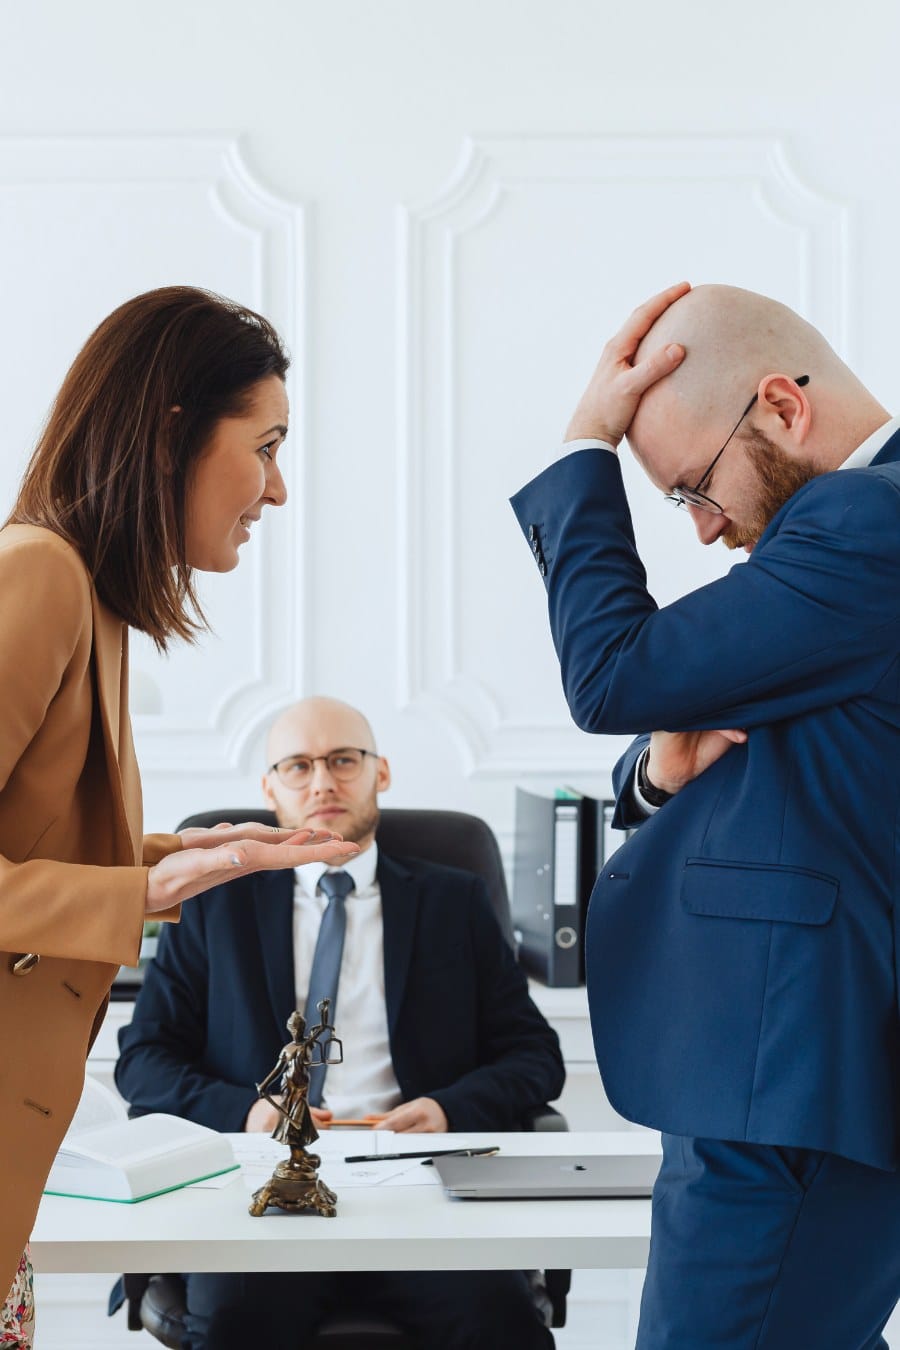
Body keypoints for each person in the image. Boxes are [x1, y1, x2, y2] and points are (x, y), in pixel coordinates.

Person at [510, 280, 900, 1349]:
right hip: (789, 1072)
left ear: (781, 405)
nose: (701, 529)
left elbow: (616, 673)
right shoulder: (848, 550)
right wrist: (657, 779)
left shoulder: (869, 523)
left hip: (791, 1083)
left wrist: (587, 443)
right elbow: (742, 747)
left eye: (694, 486)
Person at [0, 288, 360, 1348]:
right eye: (266, 445)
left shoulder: (88, 599)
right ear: (172, 435)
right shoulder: (40, 579)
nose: (277, 489)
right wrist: (139, 890)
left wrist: (170, 856)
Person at [116, 695, 564, 1350]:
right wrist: (252, 1113)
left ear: (381, 772)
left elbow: (535, 1058)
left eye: (343, 760)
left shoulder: (452, 901)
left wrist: (446, 1107)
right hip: (263, 1189)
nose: (322, 781)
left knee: (501, 1323)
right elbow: (145, 1061)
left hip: (420, 1189)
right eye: (298, 766)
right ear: (270, 788)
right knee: (240, 1323)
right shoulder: (217, 906)